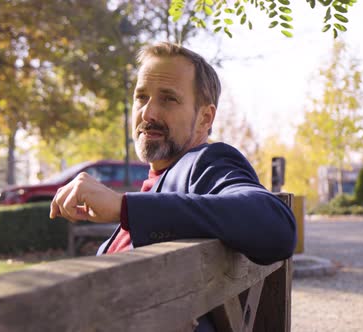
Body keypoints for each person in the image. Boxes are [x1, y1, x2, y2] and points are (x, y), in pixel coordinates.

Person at [49, 42, 296, 330]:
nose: (148, 113)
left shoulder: (207, 161)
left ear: (205, 118)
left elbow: (276, 225)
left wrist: (123, 207)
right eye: (141, 98)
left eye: (168, 99)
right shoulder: (154, 185)